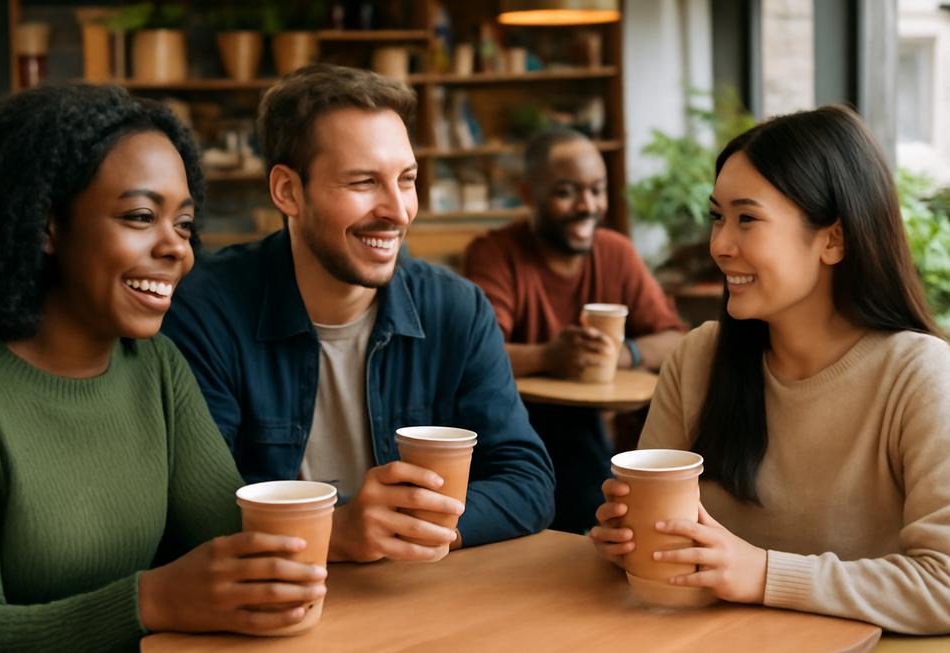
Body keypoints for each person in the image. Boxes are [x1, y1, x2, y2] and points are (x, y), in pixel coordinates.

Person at [0, 85, 328, 652]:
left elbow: (230, 533)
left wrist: (341, 528)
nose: (177, 250)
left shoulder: (154, 365)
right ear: (45, 224)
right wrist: (150, 600)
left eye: (183, 224)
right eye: (141, 216)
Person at [162, 64, 555, 564]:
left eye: (406, 180)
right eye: (364, 181)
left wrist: (411, 527)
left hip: (415, 597)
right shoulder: (206, 310)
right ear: (287, 192)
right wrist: (336, 531)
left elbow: (529, 481)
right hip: (271, 602)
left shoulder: (455, 309)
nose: (398, 210)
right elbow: (195, 509)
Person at [590, 106, 950, 634]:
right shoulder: (700, 359)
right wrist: (628, 542)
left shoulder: (920, 376)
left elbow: (942, 583)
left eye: (747, 218)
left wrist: (762, 573)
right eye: (717, 216)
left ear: (833, 239)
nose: (719, 245)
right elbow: (669, 551)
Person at [463, 128, 684, 533]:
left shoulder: (615, 252)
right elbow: (476, 356)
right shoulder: (496, 253)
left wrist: (622, 354)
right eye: (567, 192)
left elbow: (676, 340)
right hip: (519, 426)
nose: (588, 206)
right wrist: (550, 357)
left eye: (597, 190)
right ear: (529, 195)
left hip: (597, 432)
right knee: (573, 436)